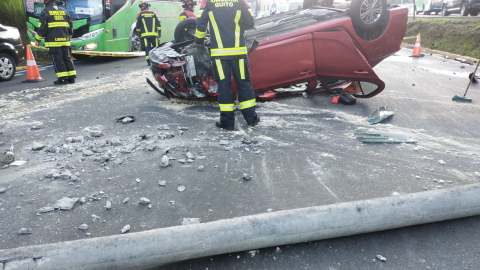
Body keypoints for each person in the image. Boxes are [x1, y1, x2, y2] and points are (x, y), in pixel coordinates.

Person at [195, 0, 260, 130]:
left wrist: (199, 41)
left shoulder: (207, 1)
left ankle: (227, 122)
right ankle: (251, 119)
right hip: (238, 52)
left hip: (219, 54)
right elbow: (250, 22)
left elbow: (201, 24)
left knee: (224, 86)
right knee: (244, 83)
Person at [34, 0, 76, 85]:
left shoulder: (45, 12)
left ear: (46, 1)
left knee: (58, 60)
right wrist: (68, 37)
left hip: (54, 42)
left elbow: (42, 28)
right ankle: (71, 78)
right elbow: (70, 27)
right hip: (65, 40)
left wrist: (37, 39)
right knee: (67, 58)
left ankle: (63, 79)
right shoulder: (63, 11)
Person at [136, 1, 161, 66]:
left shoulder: (140, 14)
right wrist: (159, 31)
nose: (141, 7)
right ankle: (158, 61)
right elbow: (158, 24)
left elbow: (138, 25)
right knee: (156, 48)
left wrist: (138, 33)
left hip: (145, 36)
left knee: (147, 49)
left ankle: (149, 62)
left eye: (142, 6)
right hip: (154, 35)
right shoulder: (153, 13)